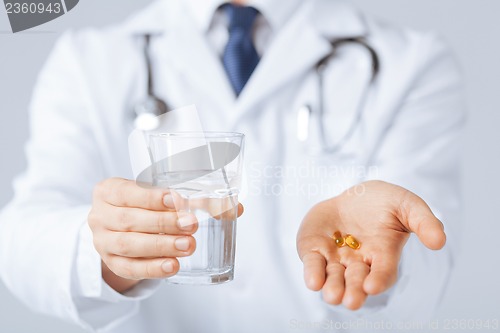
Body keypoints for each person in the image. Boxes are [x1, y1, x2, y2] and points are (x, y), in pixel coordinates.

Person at [0, 0, 465, 332]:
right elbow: (21, 237)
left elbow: (425, 252)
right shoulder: (91, 60)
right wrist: (107, 253)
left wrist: (388, 256)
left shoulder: (411, 62)